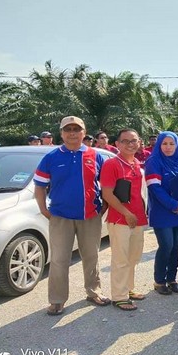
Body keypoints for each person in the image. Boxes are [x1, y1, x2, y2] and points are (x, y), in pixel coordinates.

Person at [33, 116, 109, 316]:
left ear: (84, 133)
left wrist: (104, 206)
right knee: (59, 260)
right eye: (68, 129)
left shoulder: (95, 155)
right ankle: (57, 300)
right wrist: (44, 210)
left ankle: (94, 292)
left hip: (90, 216)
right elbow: (39, 187)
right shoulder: (51, 157)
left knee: (91, 256)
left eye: (77, 129)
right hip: (60, 217)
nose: (73, 133)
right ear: (61, 133)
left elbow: (106, 185)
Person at [100, 129, 148, 311]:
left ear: (139, 143)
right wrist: (126, 213)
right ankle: (119, 297)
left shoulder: (136, 164)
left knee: (134, 256)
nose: (130, 144)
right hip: (120, 219)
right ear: (117, 144)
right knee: (121, 259)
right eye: (125, 141)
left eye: (134, 140)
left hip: (138, 218)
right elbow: (107, 193)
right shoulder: (111, 164)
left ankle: (128, 288)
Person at [145, 131, 178, 295]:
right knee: (166, 245)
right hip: (162, 212)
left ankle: (172, 279)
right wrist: (174, 205)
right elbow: (155, 189)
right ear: (159, 145)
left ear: (177, 145)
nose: (168, 147)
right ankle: (159, 281)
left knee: (176, 247)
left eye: (172, 144)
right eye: (164, 143)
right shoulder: (153, 162)